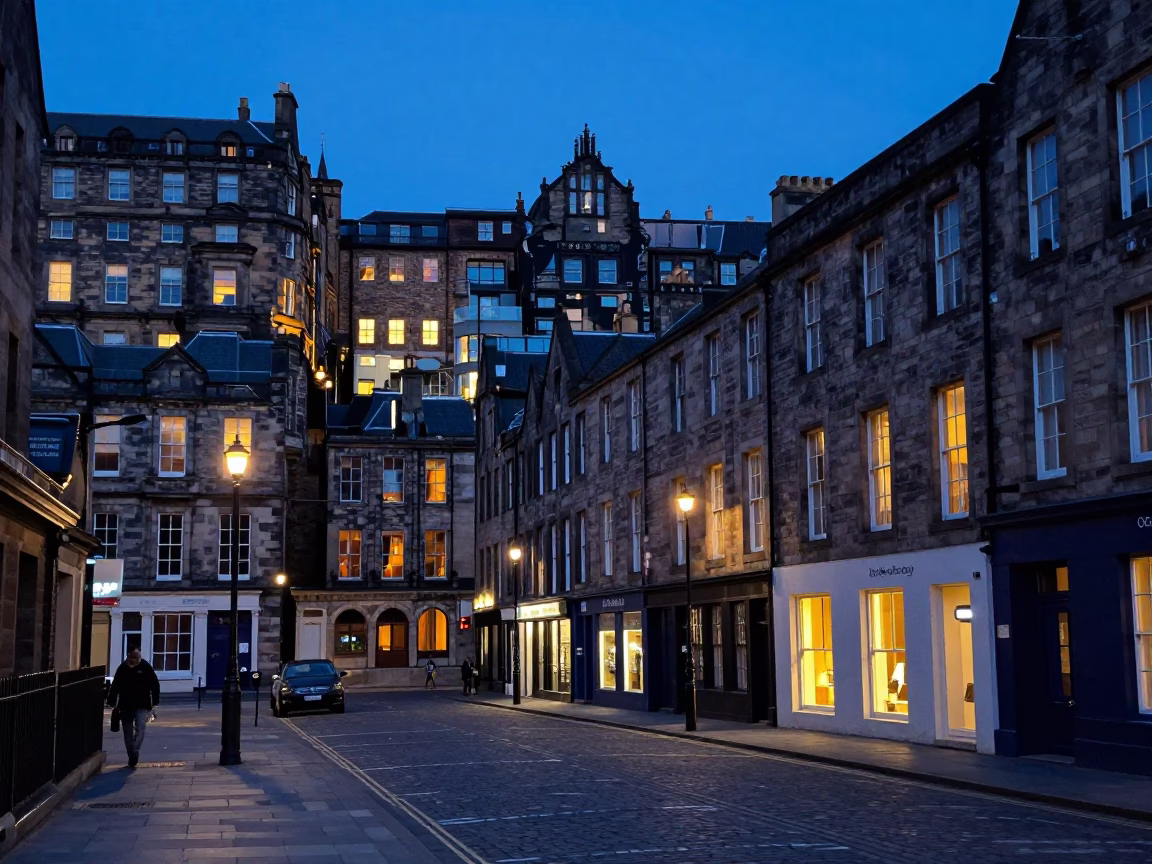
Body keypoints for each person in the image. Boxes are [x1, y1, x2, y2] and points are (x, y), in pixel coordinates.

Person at [107, 649, 160, 768]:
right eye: (129, 661)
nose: (131, 664)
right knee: (127, 731)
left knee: (141, 728)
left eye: (134, 661)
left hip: (142, 704)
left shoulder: (145, 667)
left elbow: (154, 685)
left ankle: (134, 751)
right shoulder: (122, 668)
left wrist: (155, 703)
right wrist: (112, 702)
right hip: (125, 705)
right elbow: (115, 685)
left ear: (138, 659)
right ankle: (132, 753)